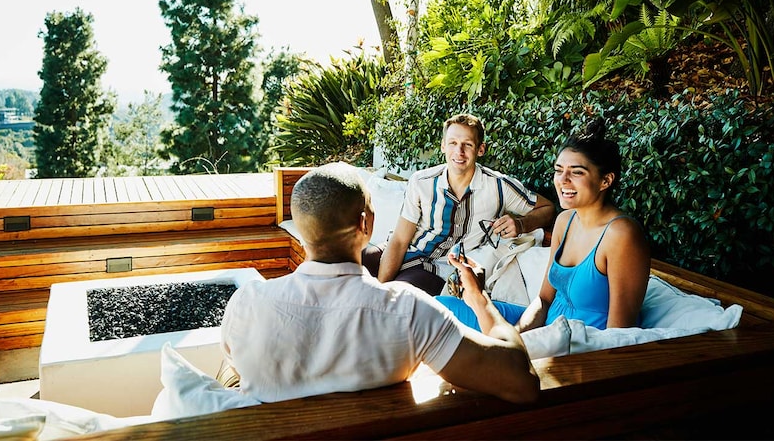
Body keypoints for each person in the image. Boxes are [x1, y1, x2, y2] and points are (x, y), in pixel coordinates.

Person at [220, 162, 540, 404]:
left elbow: (236, 374)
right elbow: (521, 383)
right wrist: (478, 297)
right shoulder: (409, 311)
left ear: (301, 231)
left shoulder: (246, 303)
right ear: (365, 224)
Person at [436, 118, 651, 331]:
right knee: (439, 308)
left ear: (606, 180)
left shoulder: (621, 235)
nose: (563, 180)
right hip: (546, 329)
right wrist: (518, 335)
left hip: (577, 348)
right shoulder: (565, 221)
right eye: (559, 170)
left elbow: (619, 336)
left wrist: (518, 346)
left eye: (577, 172)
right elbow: (544, 300)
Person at [376, 113, 555, 295]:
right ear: (443, 146)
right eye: (453, 143)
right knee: (352, 264)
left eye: (467, 144)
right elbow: (399, 240)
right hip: (410, 251)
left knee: (401, 293)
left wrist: (521, 224)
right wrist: (379, 290)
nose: (459, 152)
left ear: (480, 149)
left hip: (443, 270)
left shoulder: (498, 186)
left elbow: (548, 208)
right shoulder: (422, 182)